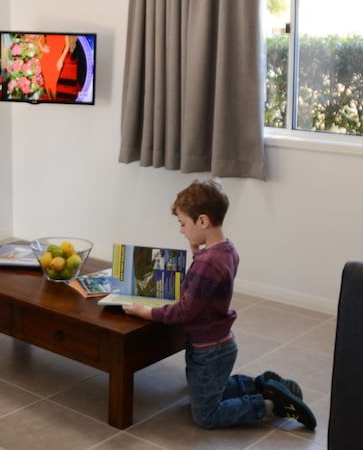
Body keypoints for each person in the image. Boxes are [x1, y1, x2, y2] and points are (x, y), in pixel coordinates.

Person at [123, 179, 316, 430]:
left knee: (206, 414)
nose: (181, 230)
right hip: (218, 343)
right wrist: (196, 251)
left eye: (183, 223)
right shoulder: (226, 249)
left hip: (208, 350)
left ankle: (272, 405)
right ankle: (260, 386)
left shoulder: (208, 262)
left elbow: (186, 310)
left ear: (203, 221)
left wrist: (147, 312)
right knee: (208, 391)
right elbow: (208, 286)